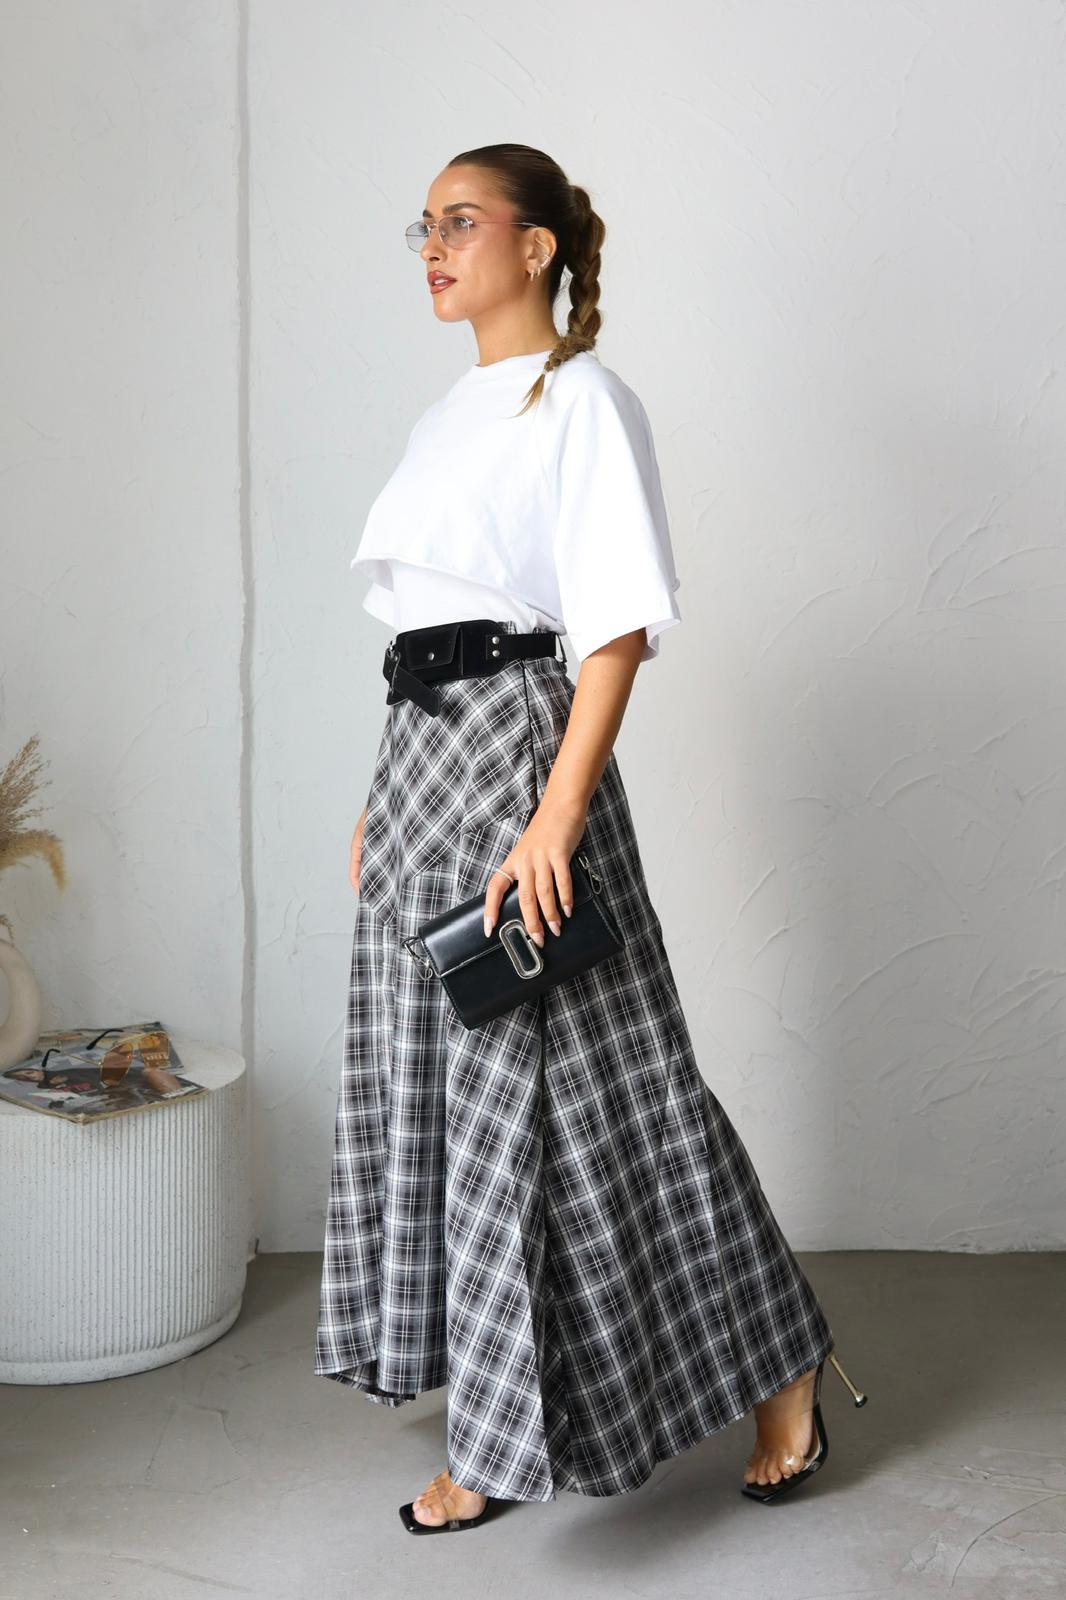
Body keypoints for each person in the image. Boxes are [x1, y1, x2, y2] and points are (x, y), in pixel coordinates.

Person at [314, 142, 868, 1534]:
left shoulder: (583, 401)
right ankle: (554, 1398)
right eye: (421, 227)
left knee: (612, 1084)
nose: (432, 247)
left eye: (460, 222)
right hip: (424, 753)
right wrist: (382, 794)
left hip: (520, 753)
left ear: (537, 245)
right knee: (466, 1085)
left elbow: (612, 627)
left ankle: (733, 1376)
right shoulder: (444, 417)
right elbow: (422, 628)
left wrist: (555, 814)